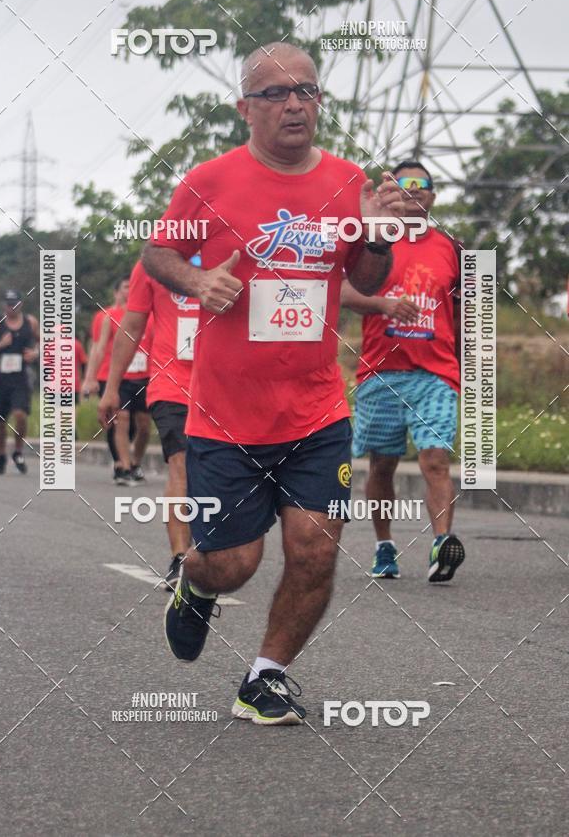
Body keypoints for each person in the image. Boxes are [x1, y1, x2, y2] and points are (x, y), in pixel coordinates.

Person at [142, 41, 403, 725]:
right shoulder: (210, 181)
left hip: (316, 410)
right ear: (245, 109)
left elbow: (366, 284)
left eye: (307, 92)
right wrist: (198, 279)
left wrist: (376, 240)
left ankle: (265, 675)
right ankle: (194, 591)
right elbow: (159, 252)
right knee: (231, 564)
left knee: (315, 549)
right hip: (226, 417)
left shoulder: (350, 183)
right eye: (277, 94)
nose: (295, 104)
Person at [341, 160, 465, 583]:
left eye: (422, 184)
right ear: (390, 191)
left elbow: (467, 312)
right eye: (403, 183)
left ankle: (441, 544)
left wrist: (467, 368)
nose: (413, 190)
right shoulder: (372, 239)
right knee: (382, 467)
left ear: (432, 195)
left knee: (435, 459)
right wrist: (383, 305)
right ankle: (384, 545)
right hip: (381, 371)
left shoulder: (452, 247)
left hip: (437, 372)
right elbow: (345, 293)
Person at [98, 256, 200, 589]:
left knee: (212, 469)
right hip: (173, 384)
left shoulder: (232, 250)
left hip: (226, 384)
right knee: (180, 463)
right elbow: (132, 325)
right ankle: (181, 558)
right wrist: (110, 387)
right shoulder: (153, 262)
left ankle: (211, 548)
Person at [82, 277, 140, 484]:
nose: (129, 291)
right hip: (111, 374)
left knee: (137, 424)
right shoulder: (104, 316)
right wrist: (90, 378)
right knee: (118, 419)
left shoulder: (145, 314)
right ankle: (121, 463)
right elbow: (97, 346)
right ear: (116, 292)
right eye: (125, 287)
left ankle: (132, 461)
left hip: (140, 374)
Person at [0, 289, 40, 474]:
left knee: (21, 415)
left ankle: (19, 451)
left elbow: (45, 341)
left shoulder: (30, 322)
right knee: (0, 421)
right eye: (7, 304)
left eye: (14, 304)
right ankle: (2, 453)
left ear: (20, 304)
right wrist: (1, 344)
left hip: (21, 376)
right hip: (1, 378)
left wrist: (36, 353)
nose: (10, 308)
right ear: (3, 305)